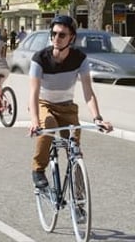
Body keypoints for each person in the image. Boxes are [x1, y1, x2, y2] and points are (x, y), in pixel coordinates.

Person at [27, 14, 113, 189]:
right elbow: (33, 93)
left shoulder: (79, 59)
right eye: (54, 34)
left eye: (62, 35)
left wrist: (98, 118)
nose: (56, 38)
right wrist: (35, 122)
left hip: (67, 108)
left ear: (71, 37)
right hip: (44, 104)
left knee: (75, 151)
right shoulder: (40, 58)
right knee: (49, 126)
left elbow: (88, 92)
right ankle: (38, 170)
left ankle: (80, 200)